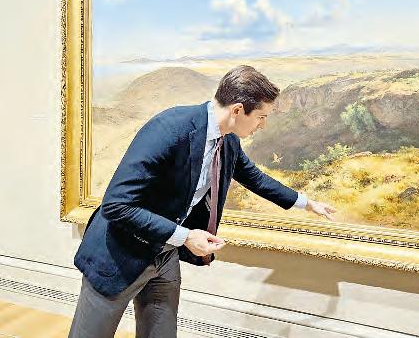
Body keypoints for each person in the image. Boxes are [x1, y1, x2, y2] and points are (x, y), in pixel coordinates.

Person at [68, 65, 336, 338]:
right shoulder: (169, 128)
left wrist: (306, 202)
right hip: (119, 253)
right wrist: (185, 236)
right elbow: (117, 205)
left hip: (164, 253)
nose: (262, 125)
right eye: (261, 117)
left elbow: (254, 178)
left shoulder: (228, 142)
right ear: (237, 110)